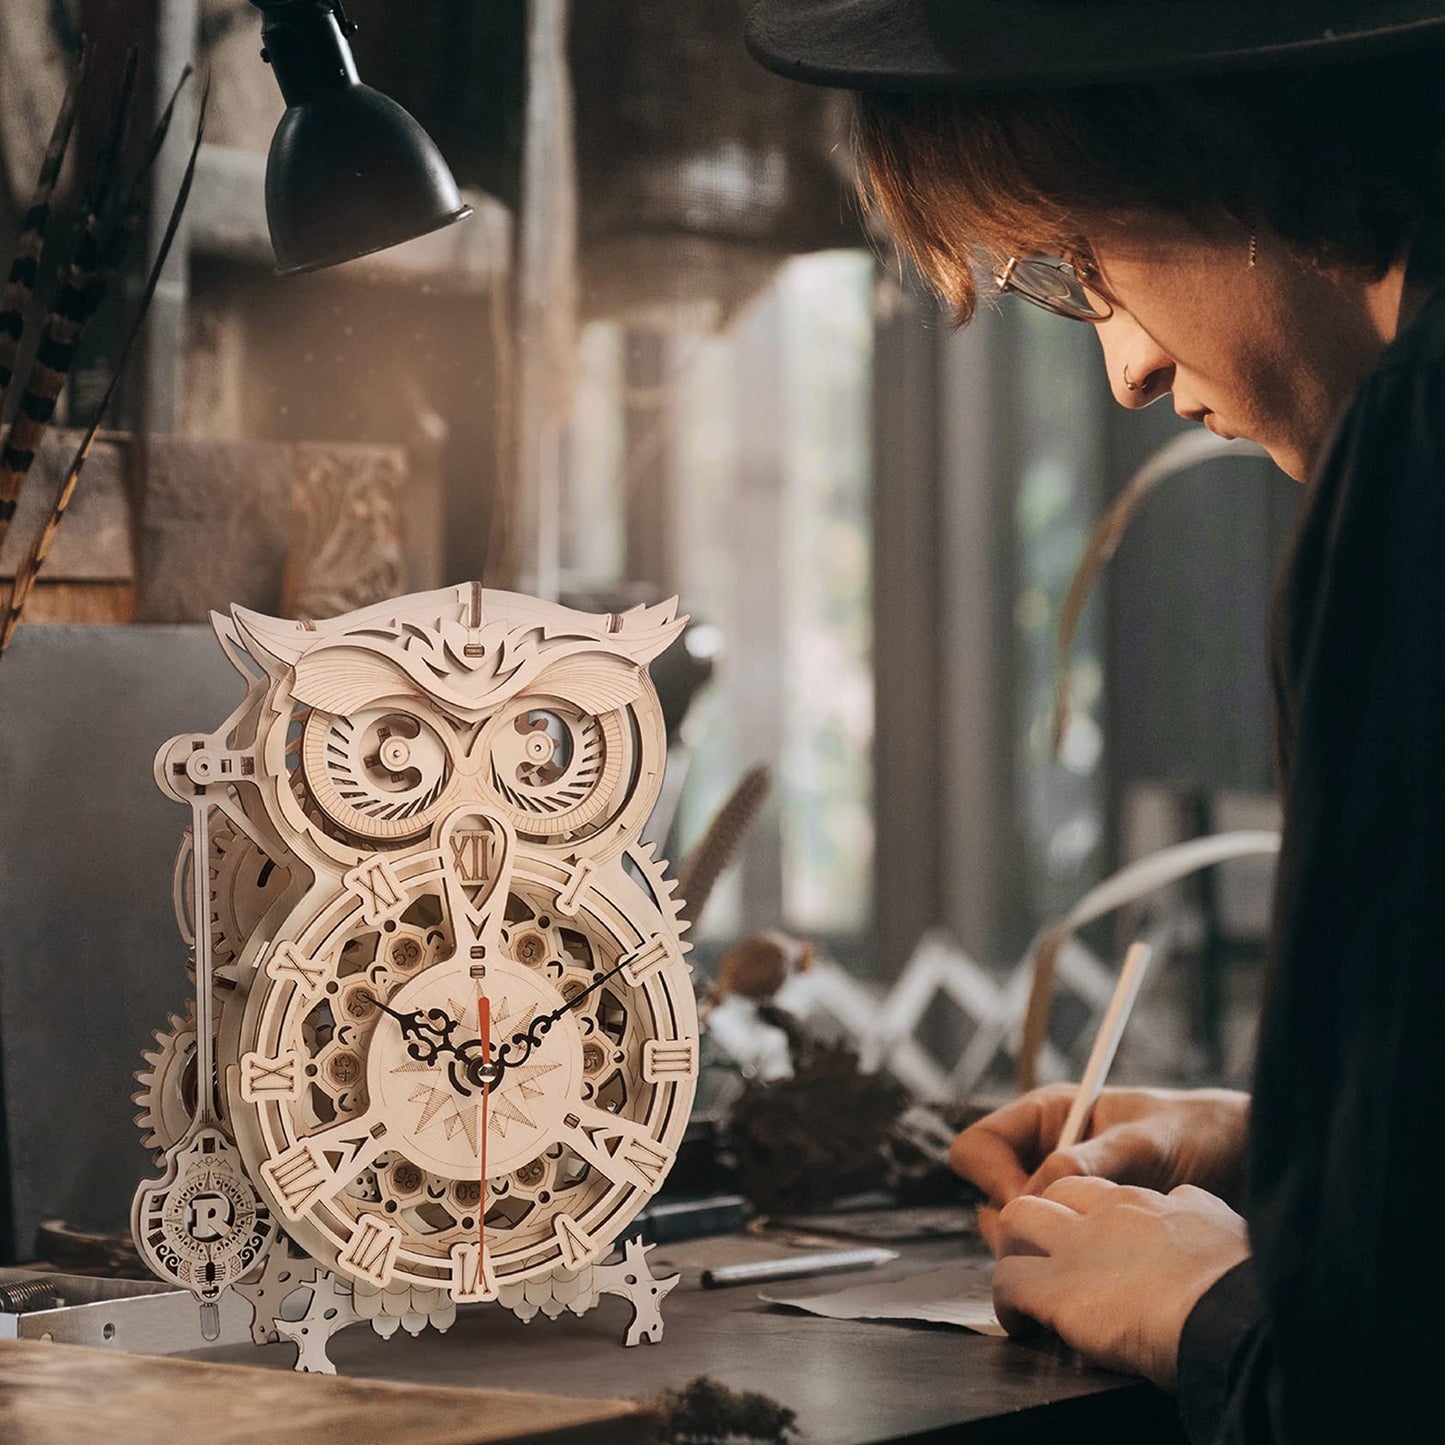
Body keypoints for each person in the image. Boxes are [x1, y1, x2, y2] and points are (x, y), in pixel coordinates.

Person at [745, 5, 1445, 1442]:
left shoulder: (1419, 446)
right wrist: (1291, 1144)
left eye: (1083, 263)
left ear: (1213, 155)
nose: (1123, 368)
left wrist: (1209, 1303)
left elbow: (1372, 1385)